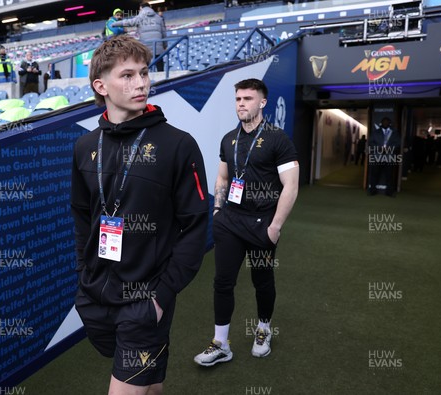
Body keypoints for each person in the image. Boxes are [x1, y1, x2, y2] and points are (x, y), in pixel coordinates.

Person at [71, 35, 209, 394]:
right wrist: (84, 273)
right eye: (128, 75)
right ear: (101, 86)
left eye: (144, 73)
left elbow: (195, 226)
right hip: (95, 294)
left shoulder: (178, 144)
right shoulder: (86, 146)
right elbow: (82, 215)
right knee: (150, 385)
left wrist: (161, 297)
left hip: (146, 298)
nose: (141, 83)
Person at [194, 78, 299, 366]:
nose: (241, 103)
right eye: (238, 98)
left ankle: (264, 329)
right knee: (222, 282)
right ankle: (221, 343)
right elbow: (223, 177)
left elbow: (291, 185)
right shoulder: (229, 138)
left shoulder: (278, 138)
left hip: (262, 223)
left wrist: (275, 226)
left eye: (248, 99)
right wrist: (217, 209)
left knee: (262, 280)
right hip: (229, 220)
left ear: (262, 102)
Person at [111, 2, 167, 72]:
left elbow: (128, 22)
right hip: (158, 45)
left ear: (141, 8)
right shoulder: (158, 18)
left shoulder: (140, 17)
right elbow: (164, 33)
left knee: (145, 65)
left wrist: (114, 24)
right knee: (160, 64)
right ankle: (162, 79)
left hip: (146, 46)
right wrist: (165, 45)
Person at [367, 117, 400, 197]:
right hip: (377, 156)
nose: (385, 123)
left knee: (389, 176)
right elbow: (371, 142)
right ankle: (372, 191)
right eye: (384, 122)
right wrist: (379, 148)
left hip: (389, 157)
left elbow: (397, 143)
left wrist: (388, 149)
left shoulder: (394, 133)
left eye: (387, 122)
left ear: (389, 123)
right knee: (374, 174)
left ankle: (389, 192)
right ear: (381, 123)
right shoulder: (375, 132)